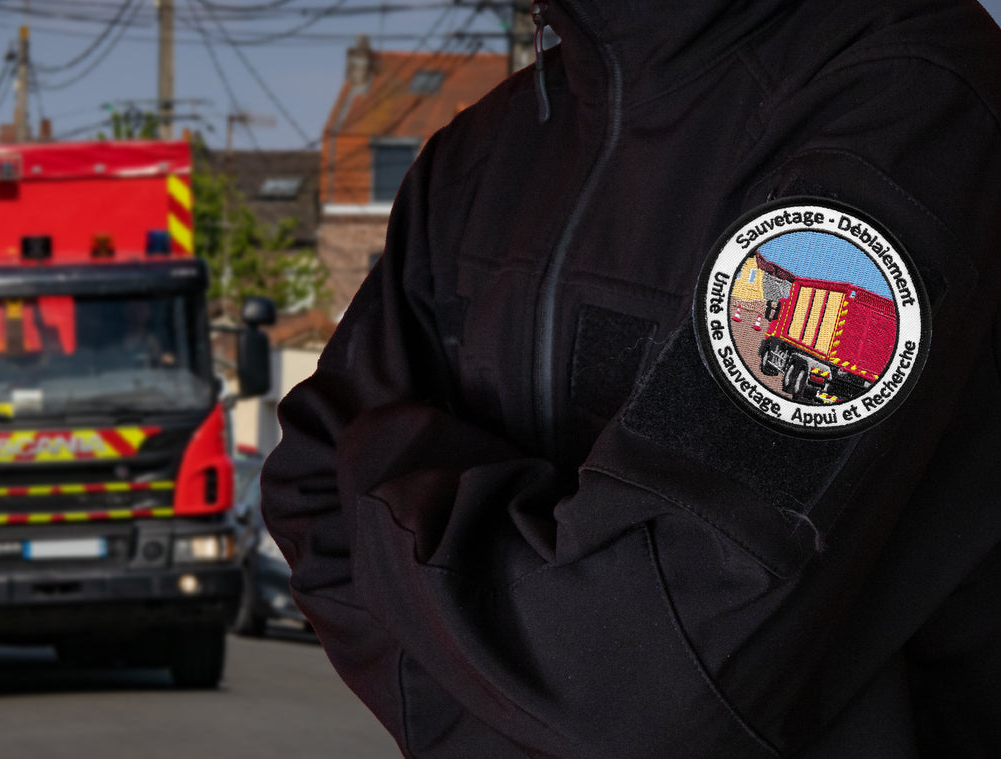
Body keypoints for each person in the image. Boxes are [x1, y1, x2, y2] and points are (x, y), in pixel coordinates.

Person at [260, 0, 1001, 756]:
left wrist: (383, 476)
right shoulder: (482, 154)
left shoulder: (904, 104)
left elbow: (657, 665)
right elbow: (307, 494)